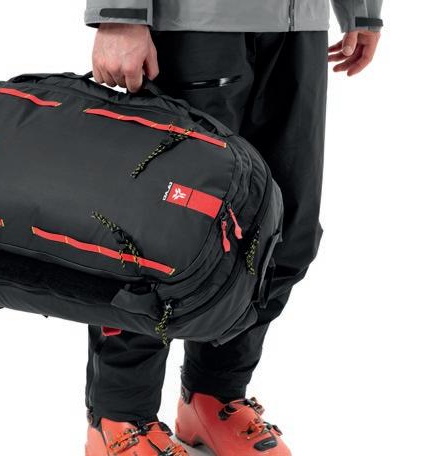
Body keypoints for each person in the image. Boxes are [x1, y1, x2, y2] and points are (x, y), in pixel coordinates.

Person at [83, 1, 383, 455]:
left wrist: (361, 10)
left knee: (282, 229)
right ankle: (119, 418)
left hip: (300, 26)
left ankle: (213, 396)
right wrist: (120, 14)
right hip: (194, 22)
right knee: (159, 235)